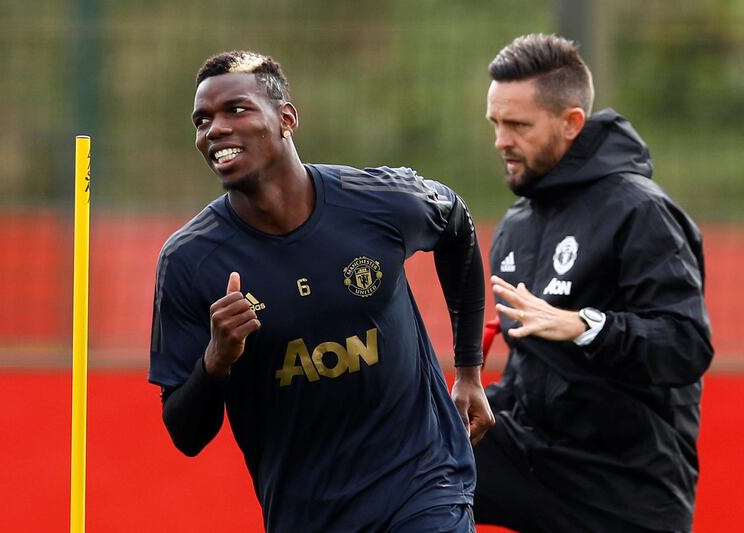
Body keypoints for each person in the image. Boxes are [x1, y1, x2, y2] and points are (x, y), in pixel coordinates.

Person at [148, 50, 495, 533]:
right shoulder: (188, 261)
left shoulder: (383, 201)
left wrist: (469, 371)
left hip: (423, 485)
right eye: (202, 120)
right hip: (306, 513)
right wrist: (217, 359)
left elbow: (458, 223)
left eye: (237, 110)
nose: (215, 129)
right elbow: (185, 433)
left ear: (286, 118)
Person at [475, 34, 713, 532]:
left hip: (625, 482)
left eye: (517, 125)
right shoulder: (519, 224)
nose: (501, 141)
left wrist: (586, 326)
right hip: (537, 456)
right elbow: (528, 373)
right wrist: (475, 404)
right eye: (496, 124)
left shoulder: (641, 212)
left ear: (571, 123)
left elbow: (686, 345)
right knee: (407, 449)